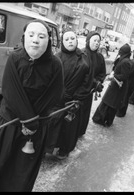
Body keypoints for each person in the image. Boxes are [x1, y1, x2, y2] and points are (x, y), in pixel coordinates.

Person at [0, 19, 64, 192]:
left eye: (41, 36)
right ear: (24, 37)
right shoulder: (15, 58)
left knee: (22, 171)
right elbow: (11, 91)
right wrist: (28, 120)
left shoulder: (56, 65)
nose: (35, 40)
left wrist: (33, 122)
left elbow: (53, 95)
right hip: (10, 121)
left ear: (48, 40)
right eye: (31, 35)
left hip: (37, 126)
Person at [46, 30, 91, 159]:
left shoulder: (83, 57)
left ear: (76, 40)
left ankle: (63, 150)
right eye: (67, 39)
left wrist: (77, 97)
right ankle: (47, 148)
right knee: (52, 124)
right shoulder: (56, 57)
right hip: (56, 99)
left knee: (68, 128)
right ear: (62, 42)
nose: (70, 41)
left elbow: (86, 81)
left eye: (73, 38)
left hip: (73, 100)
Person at [92, 43, 132, 127]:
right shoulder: (124, 59)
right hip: (116, 85)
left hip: (118, 87)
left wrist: (114, 76)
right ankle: (104, 119)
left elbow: (124, 76)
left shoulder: (125, 62)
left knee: (110, 103)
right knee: (108, 102)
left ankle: (103, 119)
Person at [77, 31, 106, 137]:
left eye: (98, 41)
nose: (97, 43)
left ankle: (80, 132)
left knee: (85, 112)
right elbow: (81, 74)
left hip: (90, 91)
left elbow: (102, 73)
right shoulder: (81, 54)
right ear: (88, 41)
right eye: (94, 40)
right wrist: (94, 82)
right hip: (79, 90)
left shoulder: (100, 57)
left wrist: (98, 82)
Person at [116, 47, 134, 117]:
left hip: (130, 81)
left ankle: (120, 112)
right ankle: (122, 112)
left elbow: (129, 72)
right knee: (126, 97)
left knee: (124, 97)